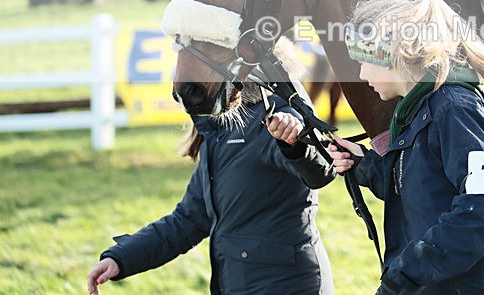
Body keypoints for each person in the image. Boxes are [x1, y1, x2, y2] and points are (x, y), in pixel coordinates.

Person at [329, 0, 484, 294]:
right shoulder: (416, 109)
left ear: (392, 54)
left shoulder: (454, 109)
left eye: (363, 59)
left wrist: (407, 271)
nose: (360, 74)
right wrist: (366, 165)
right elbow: (423, 189)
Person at [86, 43, 337, 295]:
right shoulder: (221, 128)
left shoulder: (278, 112)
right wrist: (120, 259)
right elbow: (190, 218)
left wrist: (293, 143)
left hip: (288, 285)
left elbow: (321, 169)